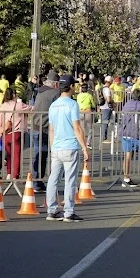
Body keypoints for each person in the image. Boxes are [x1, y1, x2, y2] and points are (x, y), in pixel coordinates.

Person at [45, 75, 89, 221]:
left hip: (57, 147)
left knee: (53, 179)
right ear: (70, 87)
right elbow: (77, 127)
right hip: (70, 146)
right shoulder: (72, 104)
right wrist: (84, 147)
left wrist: (52, 147)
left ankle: (51, 210)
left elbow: (51, 129)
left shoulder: (53, 105)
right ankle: (68, 212)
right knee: (70, 180)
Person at [30, 72, 62, 189]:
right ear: (55, 84)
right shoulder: (55, 93)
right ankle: (39, 181)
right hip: (45, 128)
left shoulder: (39, 91)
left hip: (36, 126)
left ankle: (37, 180)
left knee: (38, 155)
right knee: (46, 155)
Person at [0, 88, 32, 181]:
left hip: (5, 134)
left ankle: (8, 173)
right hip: (16, 132)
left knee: (9, 155)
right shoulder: (18, 105)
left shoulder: (2, 106)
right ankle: (15, 175)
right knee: (16, 155)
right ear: (14, 95)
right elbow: (31, 108)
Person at [119, 88, 140, 186]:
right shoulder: (137, 104)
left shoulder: (127, 104)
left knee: (127, 156)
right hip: (134, 133)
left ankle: (126, 178)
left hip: (125, 133)